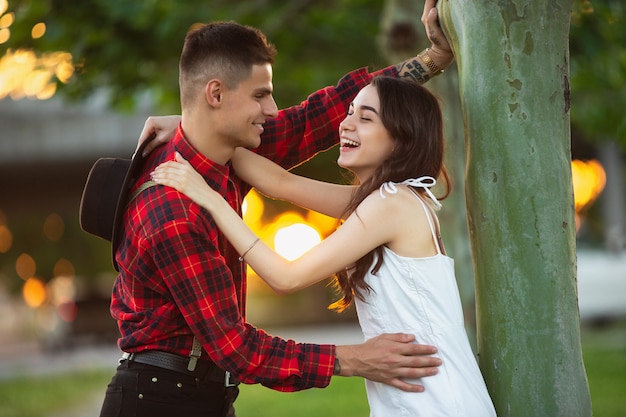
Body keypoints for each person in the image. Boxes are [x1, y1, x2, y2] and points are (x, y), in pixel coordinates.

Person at [100, 3, 455, 417]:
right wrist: (355, 359)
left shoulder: (229, 153)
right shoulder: (174, 207)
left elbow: (319, 116)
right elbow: (238, 348)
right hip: (159, 401)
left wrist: (434, 58)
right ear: (215, 94)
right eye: (260, 95)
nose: (272, 109)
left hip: (202, 395)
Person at [152, 75, 496, 416]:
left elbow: (285, 277)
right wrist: (193, 130)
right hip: (420, 394)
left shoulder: (393, 204)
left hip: (437, 399)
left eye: (365, 118)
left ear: (402, 137)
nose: (346, 125)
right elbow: (278, 181)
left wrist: (210, 200)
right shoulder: (386, 201)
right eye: (349, 112)